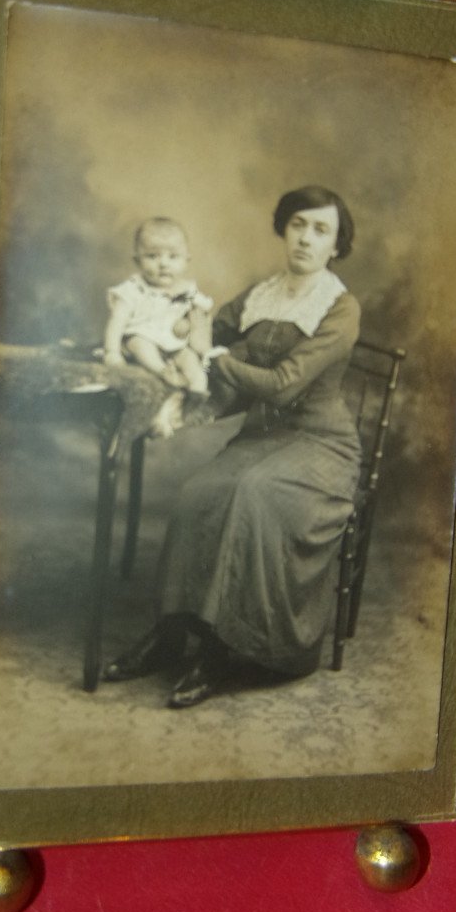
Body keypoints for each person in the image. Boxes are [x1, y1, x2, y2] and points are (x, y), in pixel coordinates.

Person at [103, 186, 362, 707]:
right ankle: (170, 633)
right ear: (283, 229)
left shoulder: (340, 307)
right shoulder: (261, 293)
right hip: (261, 438)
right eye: (298, 225)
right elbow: (201, 333)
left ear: (336, 245)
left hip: (321, 446)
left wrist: (210, 355)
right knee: (197, 491)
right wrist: (155, 334)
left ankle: (220, 649)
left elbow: (285, 382)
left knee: (250, 494)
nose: (306, 238)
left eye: (320, 230)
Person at [103, 217, 212, 396]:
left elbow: (201, 320)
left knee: (192, 364)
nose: (163, 264)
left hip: (175, 345)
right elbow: (117, 322)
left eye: (173, 256)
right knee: (138, 341)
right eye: (152, 256)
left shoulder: (188, 291)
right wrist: (111, 352)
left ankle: (196, 393)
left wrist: (193, 332)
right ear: (138, 261)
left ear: (186, 260)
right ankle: (162, 371)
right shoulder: (133, 289)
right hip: (142, 340)